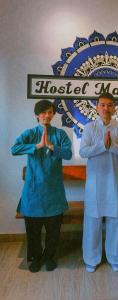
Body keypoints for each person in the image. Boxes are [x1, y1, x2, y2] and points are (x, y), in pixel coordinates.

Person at [11, 100, 72, 272]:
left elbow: (68, 154)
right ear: (37, 115)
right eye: (43, 112)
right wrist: (37, 146)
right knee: (33, 231)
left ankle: (49, 257)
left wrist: (52, 146)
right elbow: (14, 149)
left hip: (54, 191)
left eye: (50, 112)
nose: (47, 115)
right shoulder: (30, 133)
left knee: (53, 231)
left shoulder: (60, 134)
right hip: (33, 191)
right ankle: (36, 258)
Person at [79, 92, 118, 272]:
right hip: (95, 182)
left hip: (115, 181)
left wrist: (113, 147)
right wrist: (103, 146)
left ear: (114, 107)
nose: (106, 108)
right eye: (102, 104)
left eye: (110, 105)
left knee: (116, 219)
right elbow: (84, 152)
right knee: (92, 221)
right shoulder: (89, 128)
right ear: (97, 107)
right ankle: (91, 259)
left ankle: (115, 258)